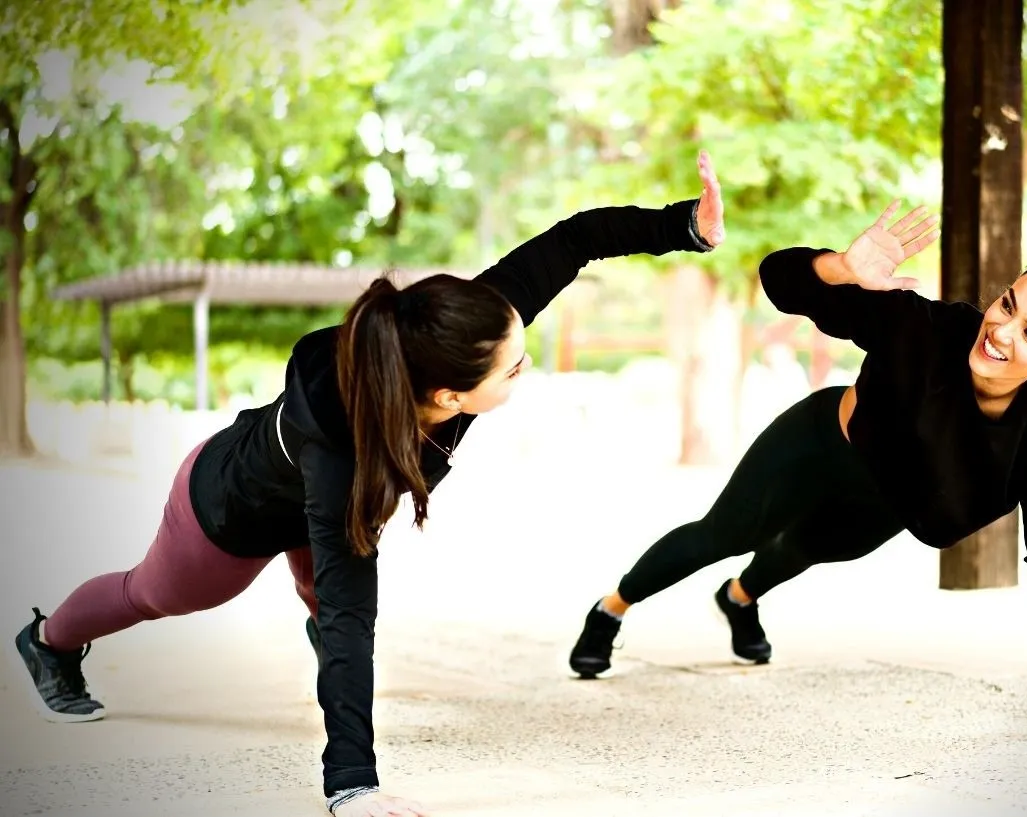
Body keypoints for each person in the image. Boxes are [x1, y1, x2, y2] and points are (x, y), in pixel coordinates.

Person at [11, 152, 727, 816]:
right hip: (230, 505)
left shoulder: (460, 329)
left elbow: (573, 240)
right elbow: (355, 614)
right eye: (514, 368)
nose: (523, 366)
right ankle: (47, 639)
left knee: (329, 608)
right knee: (162, 595)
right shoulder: (348, 458)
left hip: (318, 501)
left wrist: (683, 225)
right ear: (448, 395)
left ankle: (327, 674)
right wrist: (352, 783)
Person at [568, 200, 1027, 741]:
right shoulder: (922, 327)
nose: (1000, 330)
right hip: (823, 442)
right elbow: (782, 282)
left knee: (808, 548)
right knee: (725, 532)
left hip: (885, 504)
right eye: (1008, 302)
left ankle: (739, 599)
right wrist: (841, 268)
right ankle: (611, 608)